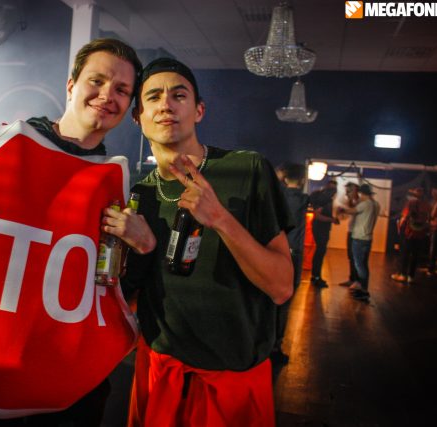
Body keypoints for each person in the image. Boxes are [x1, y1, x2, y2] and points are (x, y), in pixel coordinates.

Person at [0, 38, 153, 425]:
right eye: (97, 81)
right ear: (71, 84)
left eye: (121, 89)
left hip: (71, 397)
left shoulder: (119, 186)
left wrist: (144, 246)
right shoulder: (2, 143)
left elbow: (114, 291)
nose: (106, 95)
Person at [119, 57, 293, 426]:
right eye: (153, 97)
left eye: (179, 95)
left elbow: (281, 286)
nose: (166, 104)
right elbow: (128, 294)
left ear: (199, 110)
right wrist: (143, 248)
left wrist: (220, 219)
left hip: (231, 380)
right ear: (138, 116)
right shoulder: (138, 195)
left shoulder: (246, 169)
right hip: (160, 370)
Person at [271, 162, 309, 365]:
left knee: (270, 298)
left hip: (275, 250)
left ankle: (267, 343)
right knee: (285, 300)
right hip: (294, 253)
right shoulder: (303, 198)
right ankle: (276, 345)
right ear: (302, 180)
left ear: (284, 178)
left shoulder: (277, 196)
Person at [340, 184, 380, 301]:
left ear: (362, 193)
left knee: (359, 265)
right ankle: (362, 289)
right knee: (363, 264)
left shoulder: (365, 204)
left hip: (359, 238)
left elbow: (352, 211)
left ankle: (363, 290)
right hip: (368, 238)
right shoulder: (376, 204)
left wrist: (341, 209)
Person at [391, 188, 430, 284]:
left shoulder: (411, 203)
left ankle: (402, 275)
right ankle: (411, 276)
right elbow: (428, 218)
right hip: (420, 233)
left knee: (405, 253)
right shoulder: (427, 205)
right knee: (415, 255)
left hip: (409, 232)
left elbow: (405, 217)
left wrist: (400, 226)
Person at [309, 179, 340, 288]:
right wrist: (332, 220)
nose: (333, 191)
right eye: (333, 189)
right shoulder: (323, 199)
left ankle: (315, 276)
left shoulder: (324, 198)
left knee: (320, 252)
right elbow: (318, 216)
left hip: (321, 228)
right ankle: (316, 277)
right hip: (320, 228)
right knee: (320, 252)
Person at [338, 182, 360, 286]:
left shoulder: (360, 202)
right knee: (351, 257)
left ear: (354, 190)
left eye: (348, 192)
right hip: (352, 231)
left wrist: (343, 210)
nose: (346, 194)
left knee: (355, 257)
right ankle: (352, 279)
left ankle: (356, 281)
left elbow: (353, 211)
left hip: (356, 233)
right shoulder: (354, 201)